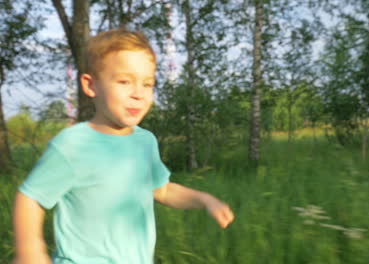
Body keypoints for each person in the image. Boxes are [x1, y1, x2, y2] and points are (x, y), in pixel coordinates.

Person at [12, 29, 235, 264]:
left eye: (147, 84)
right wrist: (30, 251)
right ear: (91, 85)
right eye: (124, 81)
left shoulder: (145, 141)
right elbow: (30, 198)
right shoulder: (73, 145)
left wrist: (205, 200)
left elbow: (162, 190)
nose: (138, 94)